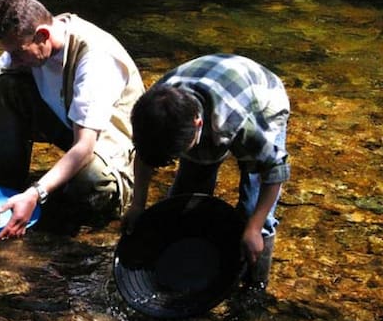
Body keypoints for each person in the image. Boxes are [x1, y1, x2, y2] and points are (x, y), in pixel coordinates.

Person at [0, 0, 144, 240]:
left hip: (107, 150)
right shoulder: (29, 40)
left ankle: (44, 205)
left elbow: (85, 147)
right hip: (71, 125)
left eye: (19, 54)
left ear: (43, 36)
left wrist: (36, 193)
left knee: (89, 179)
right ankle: (7, 188)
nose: (13, 60)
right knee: (7, 85)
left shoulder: (94, 59)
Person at [123, 53, 290, 290]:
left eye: (177, 153)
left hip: (263, 101)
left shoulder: (233, 122)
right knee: (184, 201)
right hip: (213, 84)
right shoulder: (153, 110)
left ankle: (254, 288)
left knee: (254, 212)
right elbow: (144, 155)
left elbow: (276, 168)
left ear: (198, 125)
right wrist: (137, 205)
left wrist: (253, 227)